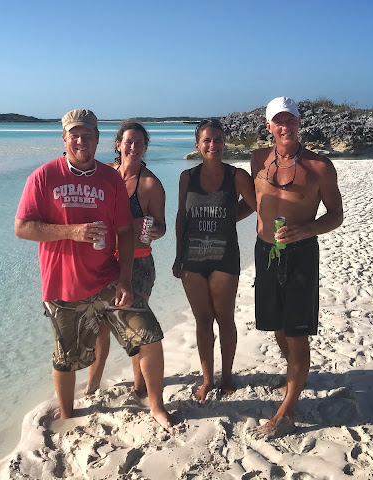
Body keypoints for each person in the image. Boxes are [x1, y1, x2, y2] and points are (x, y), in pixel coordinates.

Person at [14, 109, 172, 430]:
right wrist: (71, 232)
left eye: (87, 135)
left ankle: (156, 407)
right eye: (75, 135)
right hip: (63, 285)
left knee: (149, 336)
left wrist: (125, 279)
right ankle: (68, 416)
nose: (81, 141)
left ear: (98, 139)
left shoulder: (110, 179)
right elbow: (22, 227)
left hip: (108, 279)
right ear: (64, 138)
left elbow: (125, 230)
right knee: (65, 358)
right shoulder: (44, 176)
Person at [242, 97, 343, 439]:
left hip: (300, 254)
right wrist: (219, 221)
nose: (285, 126)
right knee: (277, 326)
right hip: (265, 251)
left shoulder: (319, 166)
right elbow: (253, 201)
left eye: (291, 120)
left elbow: (336, 215)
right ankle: (295, 376)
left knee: (296, 332)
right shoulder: (258, 158)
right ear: (268, 126)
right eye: (278, 121)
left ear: (299, 123)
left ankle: (287, 412)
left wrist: (306, 229)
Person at [173, 119, 256, 402]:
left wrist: (231, 217)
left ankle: (228, 376)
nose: (213, 145)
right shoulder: (187, 177)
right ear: (197, 145)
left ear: (224, 143)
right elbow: (181, 216)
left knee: (225, 318)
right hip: (192, 259)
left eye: (218, 139)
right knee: (202, 320)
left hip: (224, 257)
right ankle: (207, 379)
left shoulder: (236, 176)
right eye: (207, 140)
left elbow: (255, 204)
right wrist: (178, 256)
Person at [85, 120, 167, 399]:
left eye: (139, 143)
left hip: (139, 263)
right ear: (118, 144)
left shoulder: (150, 184)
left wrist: (154, 231)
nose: (133, 147)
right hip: (105, 261)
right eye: (128, 142)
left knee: (136, 329)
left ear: (145, 147)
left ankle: (139, 386)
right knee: (99, 328)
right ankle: (92, 385)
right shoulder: (104, 174)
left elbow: (161, 226)